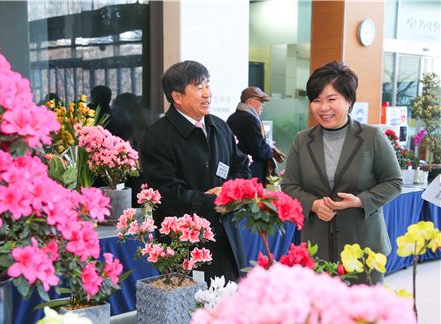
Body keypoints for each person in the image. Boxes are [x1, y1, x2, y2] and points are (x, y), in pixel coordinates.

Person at [281, 61, 402, 284]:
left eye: (331, 99)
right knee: (320, 316)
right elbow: (289, 186)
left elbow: (394, 182)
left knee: (363, 316)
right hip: (317, 250)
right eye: (316, 100)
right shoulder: (302, 140)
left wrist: (361, 200)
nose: (323, 107)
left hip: (363, 249)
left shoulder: (372, 137)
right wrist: (314, 205)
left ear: (349, 100)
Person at [140, 60, 251, 283]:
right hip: (185, 244)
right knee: (190, 309)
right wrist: (212, 201)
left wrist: (231, 191)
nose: (207, 94)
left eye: (207, 86)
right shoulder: (157, 137)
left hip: (226, 236)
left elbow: (241, 167)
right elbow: (168, 193)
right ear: (177, 97)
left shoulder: (219, 126)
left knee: (228, 302)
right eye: (198, 88)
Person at [227, 87, 286, 184]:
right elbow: (259, 149)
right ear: (250, 101)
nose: (263, 105)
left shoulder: (233, 117)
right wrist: (271, 152)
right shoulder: (249, 119)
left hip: (240, 172)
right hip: (252, 173)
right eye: (261, 101)